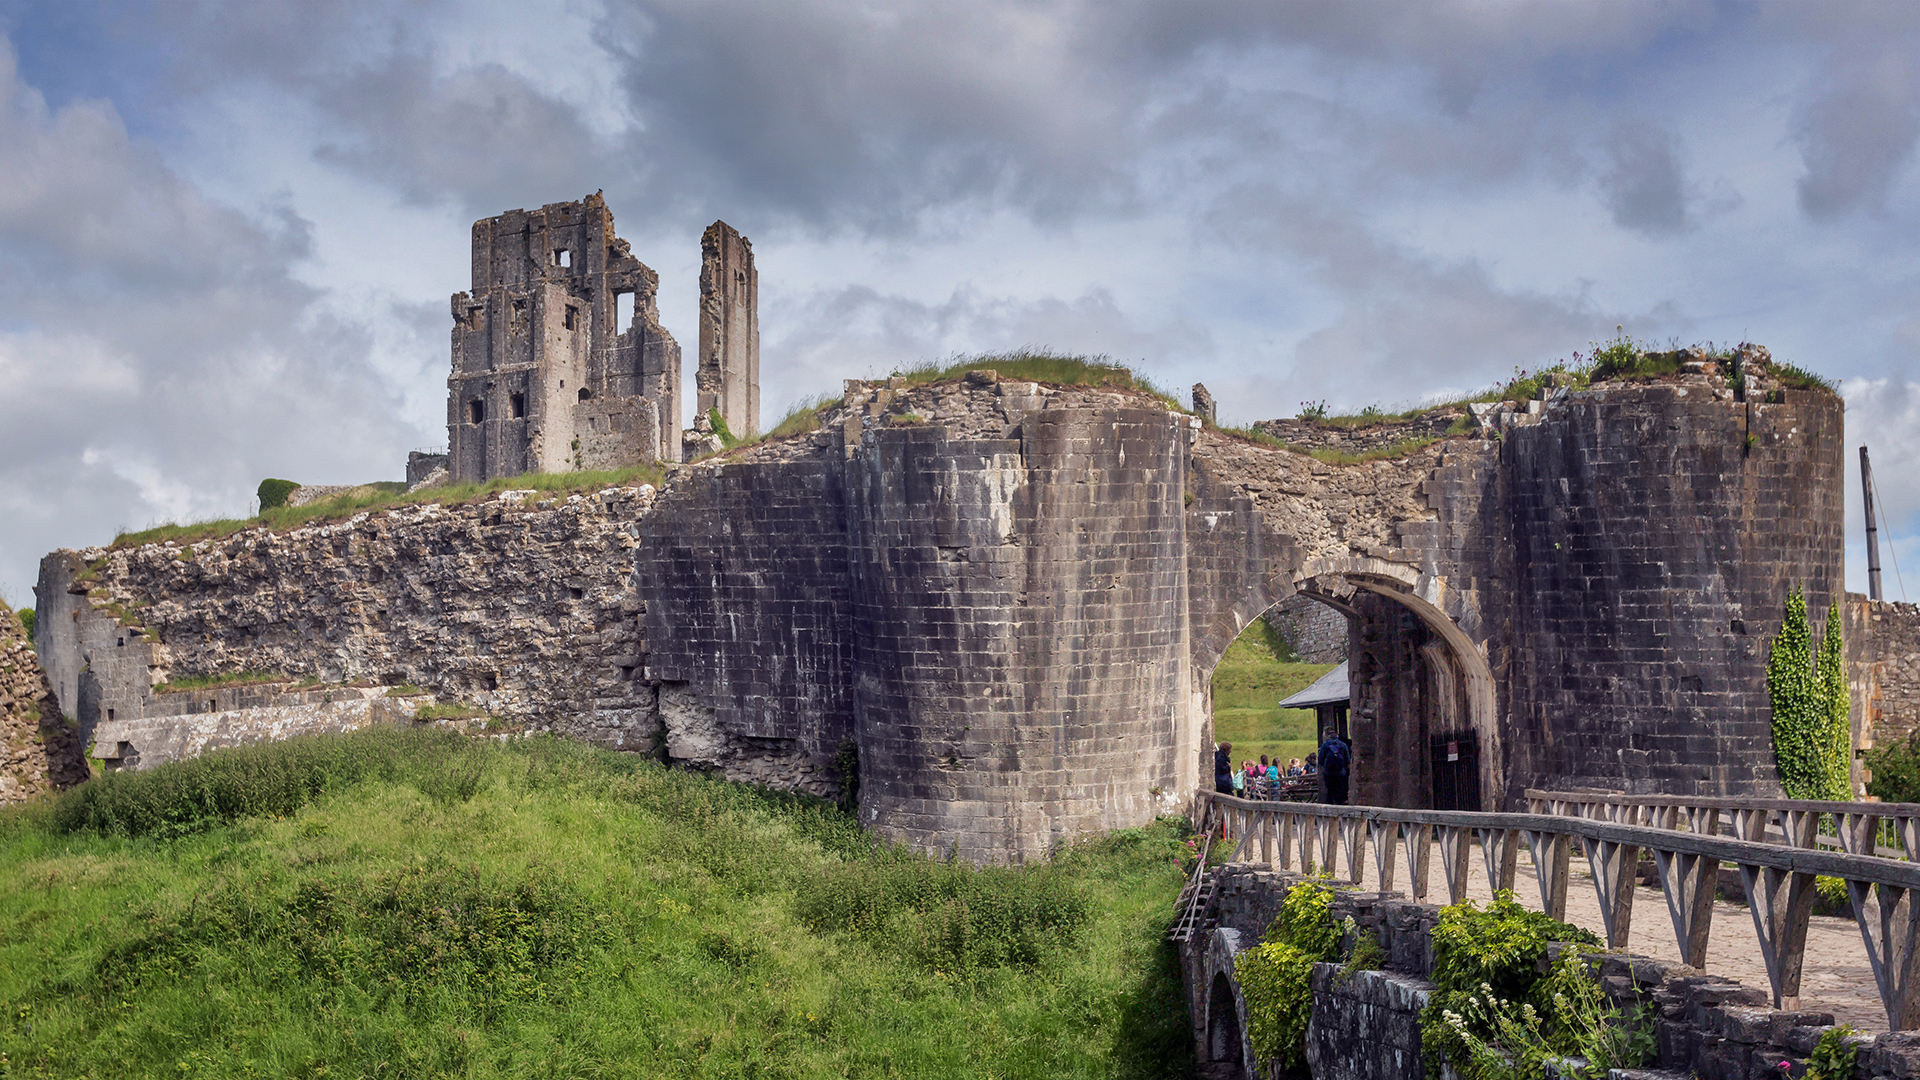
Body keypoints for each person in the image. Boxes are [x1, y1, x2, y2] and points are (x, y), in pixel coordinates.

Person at [1318, 726, 1351, 805]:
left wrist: (1326, 767)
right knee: (1340, 790)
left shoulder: (1325, 745)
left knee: (1329, 791)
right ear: (1337, 735)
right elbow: (1348, 760)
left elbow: (1320, 759)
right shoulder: (1343, 745)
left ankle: (1330, 806)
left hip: (1328, 772)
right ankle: (1339, 805)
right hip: (1340, 772)